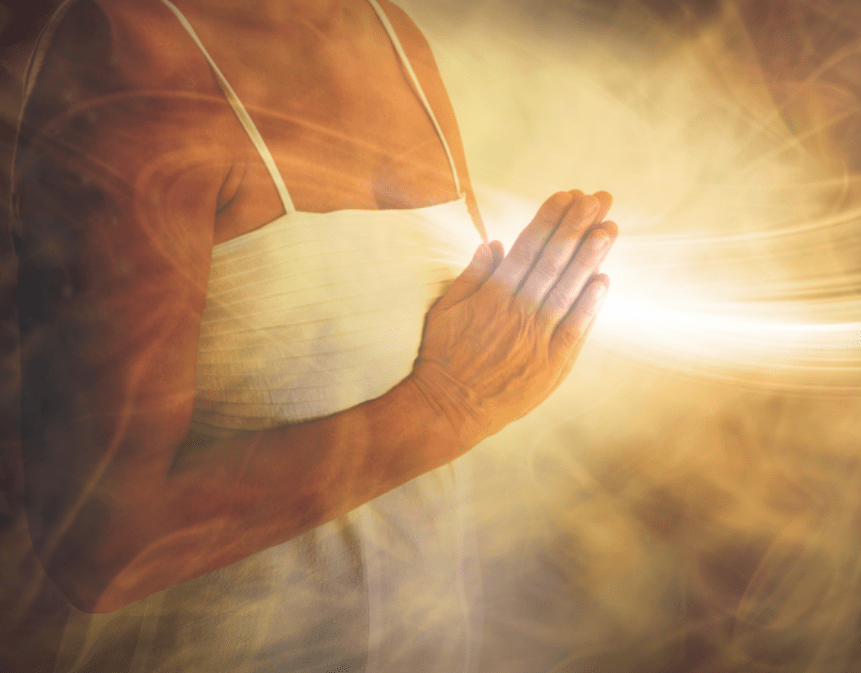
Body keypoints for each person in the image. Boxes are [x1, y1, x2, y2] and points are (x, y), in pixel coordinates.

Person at [12, 0, 618, 670]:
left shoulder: (393, 34)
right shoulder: (130, 47)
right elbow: (102, 548)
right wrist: (444, 407)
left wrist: (523, 339)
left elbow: (444, 372)